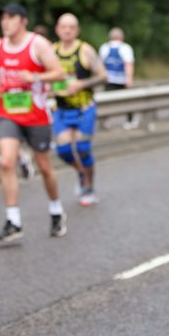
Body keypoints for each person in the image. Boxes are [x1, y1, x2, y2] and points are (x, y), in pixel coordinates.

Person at [0, 3, 68, 242]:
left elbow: (59, 73)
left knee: (44, 167)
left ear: (23, 21)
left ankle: (56, 210)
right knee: (6, 162)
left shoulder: (38, 45)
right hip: (8, 112)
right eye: (3, 18)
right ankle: (13, 220)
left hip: (36, 114)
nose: (5, 22)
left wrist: (34, 76)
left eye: (11, 17)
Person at [52, 13, 107, 206]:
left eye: (71, 27)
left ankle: (88, 186)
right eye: (63, 26)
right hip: (61, 110)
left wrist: (81, 84)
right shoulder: (51, 51)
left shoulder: (85, 51)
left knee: (83, 148)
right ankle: (81, 172)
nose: (67, 30)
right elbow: (45, 78)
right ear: (57, 29)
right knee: (64, 150)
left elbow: (103, 76)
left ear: (77, 30)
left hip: (84, 108)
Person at [98, 27, 137, 129]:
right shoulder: (125, 48)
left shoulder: (104, 47)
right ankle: (130, 121)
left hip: (109, 80)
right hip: (122, 80)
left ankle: (105, 121)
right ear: (122, 38)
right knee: (127, 102)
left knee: (107, 102)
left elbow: (100, 64)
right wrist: (130, 79)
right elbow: (128, 64)